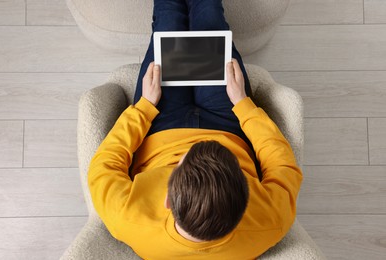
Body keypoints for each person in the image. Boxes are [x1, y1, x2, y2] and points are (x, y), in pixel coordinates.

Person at [88, 0, 303, 259]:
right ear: (246, 197)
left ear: (168, 200)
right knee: (210, 19)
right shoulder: (271, 221)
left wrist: (144, 107)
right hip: (229, 122)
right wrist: (243, 104)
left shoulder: (128, 218)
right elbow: (282, 166)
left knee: (168, 25)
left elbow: (104, 165)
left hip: (159, 124)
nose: (194, 144)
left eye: (180, 162)